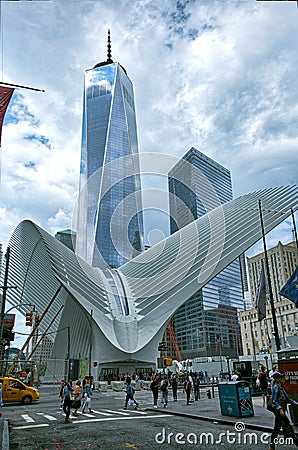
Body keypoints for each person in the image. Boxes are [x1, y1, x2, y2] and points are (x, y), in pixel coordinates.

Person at [269, 372, 298, 450]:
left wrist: (295, 403)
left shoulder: (281, 387)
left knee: (276, 429)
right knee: (288, 427)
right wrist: (280, 409)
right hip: (279, 412)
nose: (284, 379)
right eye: (282, 378)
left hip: (281, 411)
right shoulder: (276, 387)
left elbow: (287, 398)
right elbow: (274, 401)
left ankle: (272, 446)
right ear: (278, 379)